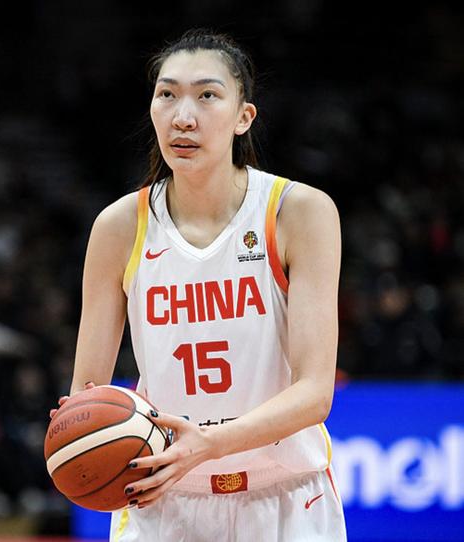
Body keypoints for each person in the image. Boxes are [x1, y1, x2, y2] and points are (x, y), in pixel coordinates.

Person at [50, 29, 346, 541]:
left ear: (243, 117)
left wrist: (210, 443)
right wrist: (81, 425)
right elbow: (88, 388)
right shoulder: (119, 227)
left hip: (285, 499)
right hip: (165, 501)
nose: (182, 116)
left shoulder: (298, 212)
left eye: (207, 95)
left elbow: (315, 393)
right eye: (167, 94)